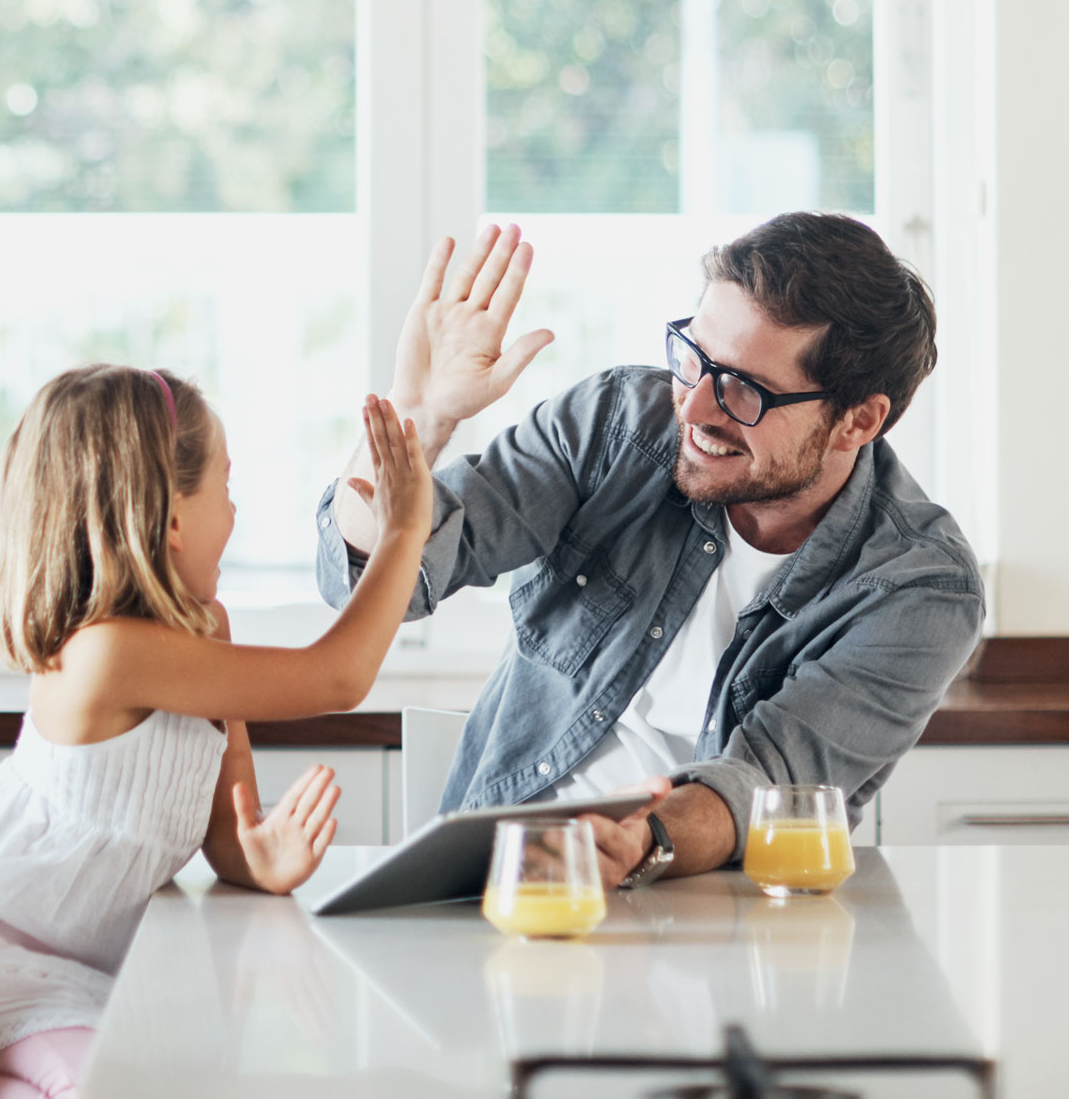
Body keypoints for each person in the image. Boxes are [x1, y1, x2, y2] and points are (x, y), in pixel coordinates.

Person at [317, 214, 985, 891]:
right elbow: (376, 587)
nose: (695, 408)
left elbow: (773, 782)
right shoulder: (617, 424)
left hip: (713, 918)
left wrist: (644, 842)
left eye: (745, 390)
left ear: (860, 420)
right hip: (504, 884)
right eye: (693, 357)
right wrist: (419, 417)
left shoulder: (918, 586)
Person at [0, 365, 431, 1099]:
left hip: (82, 975)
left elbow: (226, 832)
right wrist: (404, 532)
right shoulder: (104, 653)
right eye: (226, 490)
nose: (237, 514)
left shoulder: (205, 636)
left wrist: (259, 858)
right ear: (170, 519)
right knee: (109, 1082)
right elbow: (337, 677)